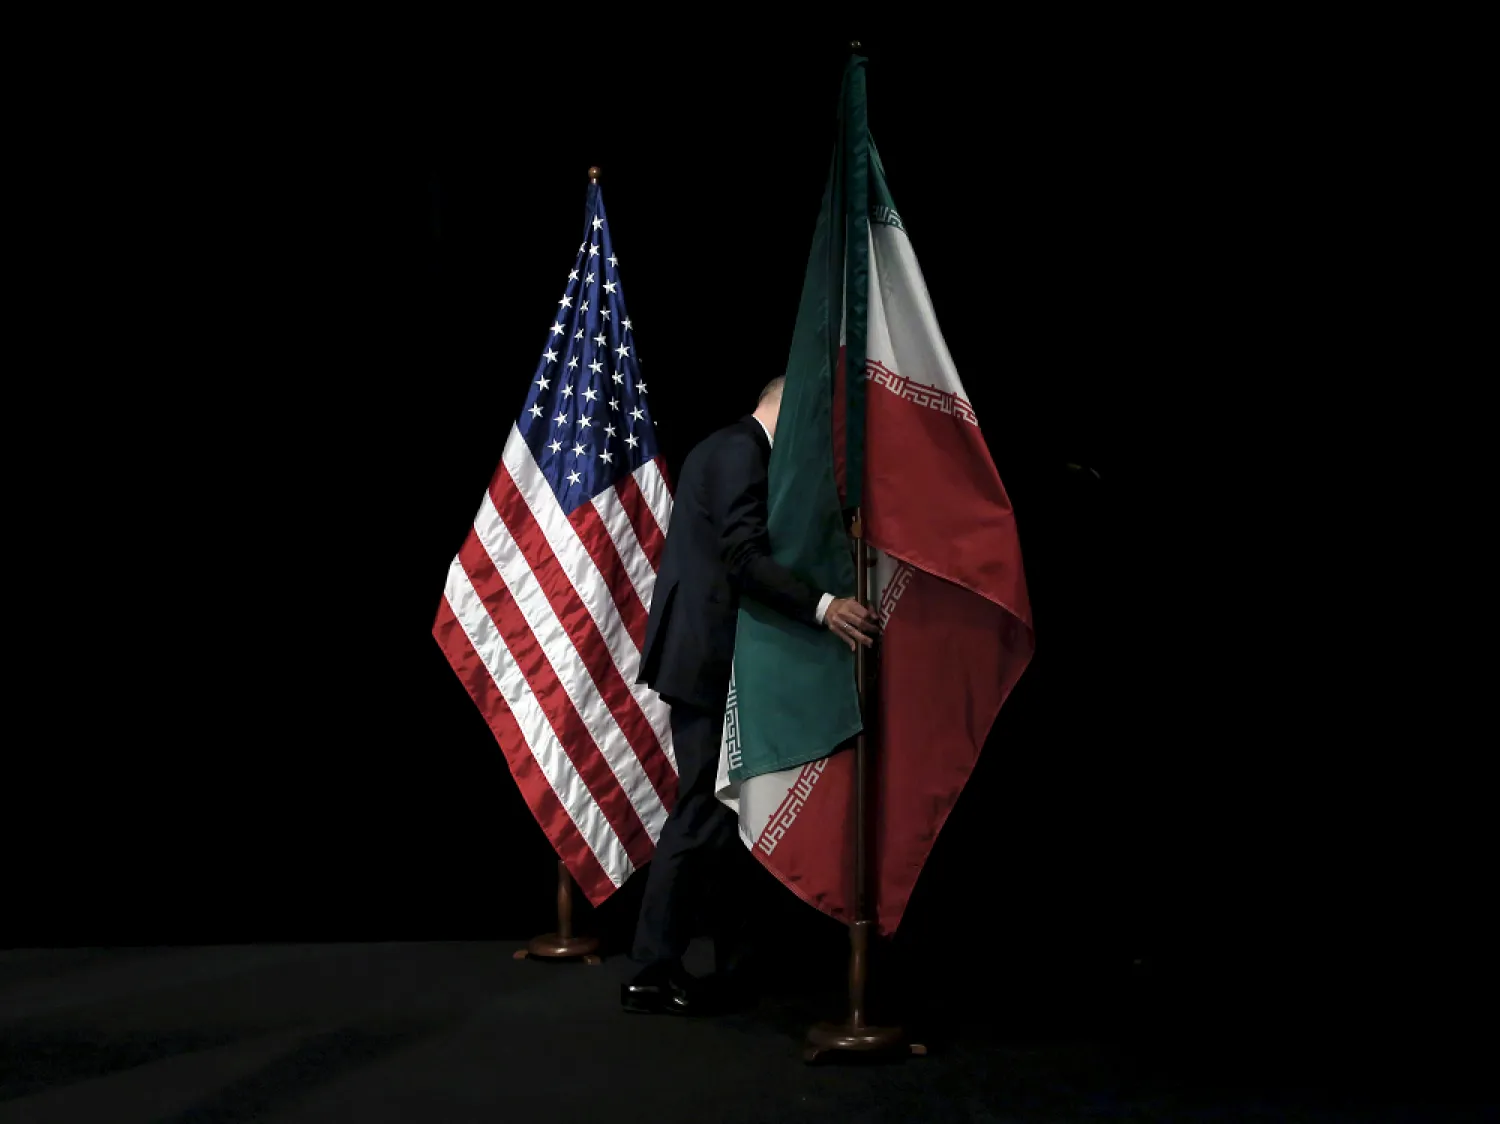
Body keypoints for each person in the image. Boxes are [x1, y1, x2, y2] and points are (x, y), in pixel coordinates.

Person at [622, 376, 878, 1015]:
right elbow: (742, 557)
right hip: (706, 660)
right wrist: (824, 607)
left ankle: (731, 961)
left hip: (713, 658)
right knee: (702, 813)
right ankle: (650, 971)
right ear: (784, 410)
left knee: (720, 818)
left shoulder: (730, 448)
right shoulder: (740, 450)